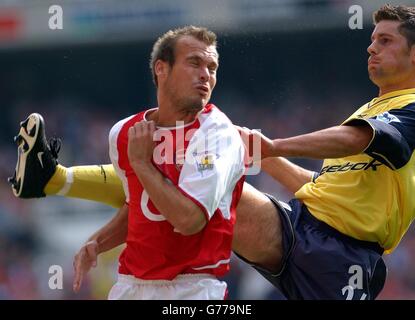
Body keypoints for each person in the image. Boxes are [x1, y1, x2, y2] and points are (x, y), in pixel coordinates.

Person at [9, 4, 415, 300]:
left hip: (341, 255)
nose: (370, 48)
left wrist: (275, 145)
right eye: (370, 39)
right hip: (303, 222)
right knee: (187, 171)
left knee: (185, 176)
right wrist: (267, 159)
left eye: (384, 40)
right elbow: (323, 188)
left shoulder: (409, 107)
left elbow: (357, 139)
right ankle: (53, 179)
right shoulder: (369, 107)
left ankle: (55, 180)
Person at [9, 26, 247, 300]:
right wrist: (99, 241)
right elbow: (138, 204)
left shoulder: (218, 134)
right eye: (194, 62)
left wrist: (142, 164)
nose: (206, 74)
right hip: (130, 285)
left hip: (193, 288)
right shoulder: (123, 132)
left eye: (212, 67)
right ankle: (52, 178)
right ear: (162, 69)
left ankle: (54, 179)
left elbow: (189, 219)